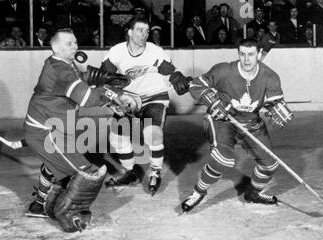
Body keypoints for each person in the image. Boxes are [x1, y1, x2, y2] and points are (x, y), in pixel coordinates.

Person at [23, 28, 140, 232]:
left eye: (75, 42)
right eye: (69, 43)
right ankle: (69, 214)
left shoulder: (63, 64)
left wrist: (108, 92)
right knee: (88, 174)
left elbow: (84, 79)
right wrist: (112, 93)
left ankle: (39, 205)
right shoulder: (61, 70)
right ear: (55, 47)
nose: (75, 46)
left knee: (54, 166)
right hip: (46, 132)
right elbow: (88, 98)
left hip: (53, 127)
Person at [181, 38, 293, 213]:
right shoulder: (224, 70)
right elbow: (196, 84)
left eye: (251, 55)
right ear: (238, 54)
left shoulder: (270, 76)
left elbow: (273, 101)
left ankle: (253, 193)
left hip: (251, 123)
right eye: (242, 54)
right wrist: (210, 99)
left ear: (259, 55)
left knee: (270, 165)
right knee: (223, 159)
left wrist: (275, 107)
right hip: (222, 120)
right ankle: (198, 192)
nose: (246, 60)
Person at [101, 18, 192, 196]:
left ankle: (155, 171)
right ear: (129, 32)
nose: (144, 34)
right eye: (140, 30)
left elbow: (170, 71)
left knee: (153, 133)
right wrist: (114, 102)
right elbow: (104, 81)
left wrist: (177, 77)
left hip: (154, 97)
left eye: (147, 31)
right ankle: (130, 173)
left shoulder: (154, 51)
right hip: (128, 99)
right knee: (117, 138)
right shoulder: (116, 52)